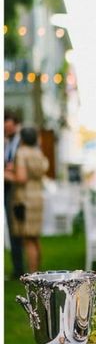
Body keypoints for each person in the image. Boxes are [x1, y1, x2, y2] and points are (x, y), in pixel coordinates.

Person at [4, 126, 49, 273]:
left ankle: (32, 275)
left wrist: (5, 174)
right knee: (34, 238)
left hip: (24, 200)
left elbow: (21, 178)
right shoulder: (37, 152)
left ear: (22, 139)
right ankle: (38, 272)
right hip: (37, 198)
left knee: (28, 240)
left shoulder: (22, 152)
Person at [4, 111, 24, 277]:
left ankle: (23, 269)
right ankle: (18, 267)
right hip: (7, 189)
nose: (7, 129)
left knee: (21, 230)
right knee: (12, 230)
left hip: (19, 191)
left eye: (9, 126)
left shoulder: (22, 142)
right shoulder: (6, 142)